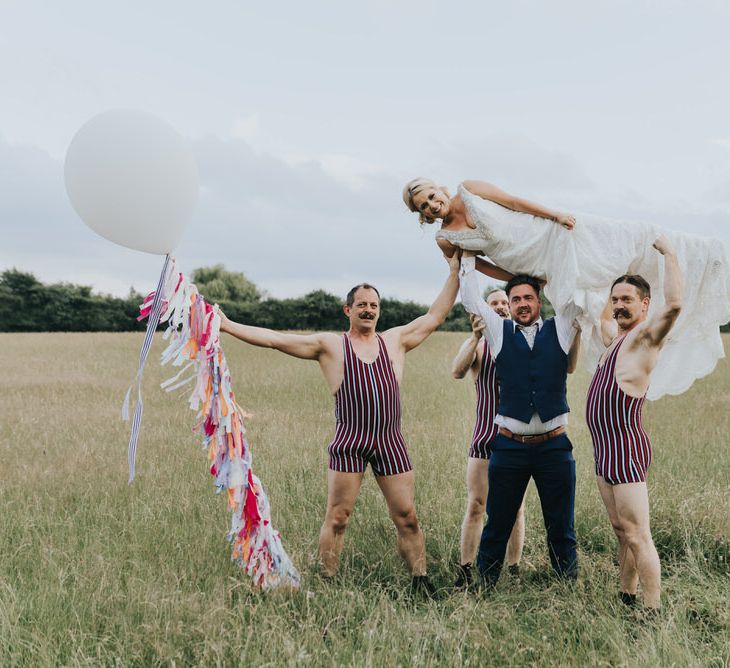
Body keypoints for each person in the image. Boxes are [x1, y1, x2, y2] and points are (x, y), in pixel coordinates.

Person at [218, 254, 460, 594]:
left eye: (374, 305)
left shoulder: (395, 340)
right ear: (348, 310)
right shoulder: (330, 345)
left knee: (407, 516)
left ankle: (421, 582)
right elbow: (274, 339)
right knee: (338, 517)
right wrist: (227, 325)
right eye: (361, 304)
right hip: (349, 442)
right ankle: (328, 583)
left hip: (391, 442)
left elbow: (435, 315)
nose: (368, 310)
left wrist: (455, 272)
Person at [402, 177, 730, 400]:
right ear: (422, 215)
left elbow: (514, 202)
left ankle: (704, 262)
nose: (432, 204)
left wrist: (556, 215)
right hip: (534, 265)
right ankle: (623, 358)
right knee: (589, 300)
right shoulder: (446, 239)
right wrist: (523, 280)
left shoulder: (468, 189)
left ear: (439, 190)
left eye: (431, 196)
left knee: (629, 238)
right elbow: (477, 267)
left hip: (550, 233)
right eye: (424, 206)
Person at [457, 255, 582, 586]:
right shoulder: (498, 332)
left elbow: (575, 291)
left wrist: (548, 263)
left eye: (528, 297)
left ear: (539, 300)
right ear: (508, 305)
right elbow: (470, 297)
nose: (522, 304)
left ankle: (566, 587)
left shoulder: (562, 327)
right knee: (498, 522)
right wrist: (468, 256)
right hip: (509, 446)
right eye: (516, 300)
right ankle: (484, 585)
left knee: (561, 525)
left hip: (554, 445)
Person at [586, 237, 682, 610]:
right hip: (604, 454)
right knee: (621, 531)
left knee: (639, 534)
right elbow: (601, 319)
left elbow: (674, 305)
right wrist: (607, 270)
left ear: (645, 305)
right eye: (616, 299)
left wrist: (669, 255)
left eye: (627, 300)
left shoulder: (645, 339)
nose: (619, 306)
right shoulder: (614, 340)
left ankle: (652, 609)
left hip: (625, 450)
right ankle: (626, 597)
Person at [451, 291, 525, 588]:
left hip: (518, 438)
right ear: (484, 310)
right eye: (494, 304)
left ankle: (514, 569)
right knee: (476, 505)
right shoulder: (479, 346)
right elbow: (457, 371)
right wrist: (473, 337)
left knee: (516, 508)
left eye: (505, 303)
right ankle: (466, 570)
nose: (501, 307)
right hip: (485, 437)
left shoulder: (523, 341)